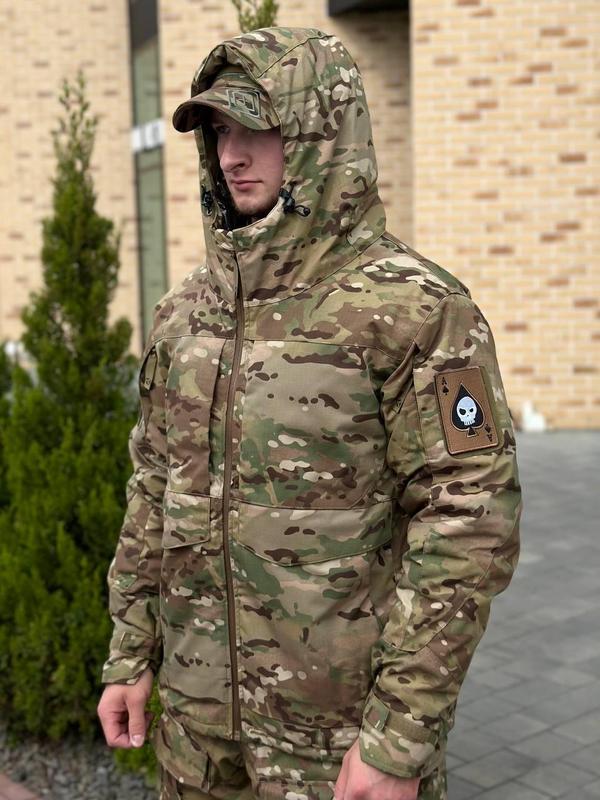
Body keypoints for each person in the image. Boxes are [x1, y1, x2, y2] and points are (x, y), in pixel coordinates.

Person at [97, 27, 521, 800]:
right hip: (197, 741)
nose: (231, 155)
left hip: (335, 749)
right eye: (218, 131)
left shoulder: (415, 309)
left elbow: (468, 525)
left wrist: (398, 740)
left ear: (323, 134)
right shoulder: (185, 314)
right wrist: (130, 653)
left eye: (255, 128)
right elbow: (154, 488)